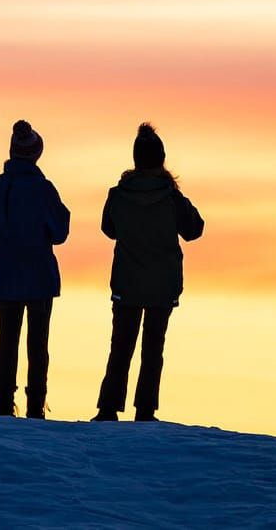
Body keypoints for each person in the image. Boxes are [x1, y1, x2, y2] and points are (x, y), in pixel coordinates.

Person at [93, 123, 204, 422]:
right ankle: (145, 410)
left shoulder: (118, 194)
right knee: (153, 347)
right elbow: (195, 229)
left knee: (121, 346)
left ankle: (107, 408)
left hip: (127, 282)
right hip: (162, 285)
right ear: (161, 159)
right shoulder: (171, 197)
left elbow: (108, 229)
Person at [0, 120, 71, 418]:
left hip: (6, 273)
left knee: (7, 340)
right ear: (36, 154)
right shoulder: (44, 189)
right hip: (39, 275)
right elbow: (60, 232)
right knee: (38, 343)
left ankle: (3, 405)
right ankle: (36, 406)